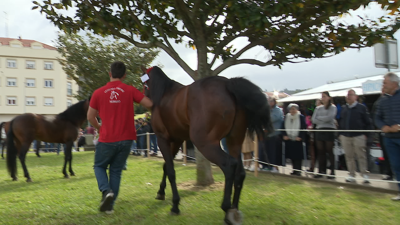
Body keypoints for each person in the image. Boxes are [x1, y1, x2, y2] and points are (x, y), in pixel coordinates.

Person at [87, 61, 153, 213]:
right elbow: (149, 103)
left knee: (99, 166)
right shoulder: (130, 90)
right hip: (126, 139)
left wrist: (99, 127)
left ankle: (105, 191)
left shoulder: (98, 93)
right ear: (124, 75)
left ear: (110, 74)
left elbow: (90, 116)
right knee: (116, 171)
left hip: (107, 138)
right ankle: (109, 207)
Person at [374, 72, 400, 200]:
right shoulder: (383, 100)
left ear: (394, 83)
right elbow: (377, 117)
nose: (383, 85)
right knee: (396, 166)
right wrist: (383, 127)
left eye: (385, 82)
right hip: (389, 139)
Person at [338, 89, 371, 184]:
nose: (348, 97)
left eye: (351, 95)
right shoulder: (344, 108)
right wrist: (340, 134)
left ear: (356, 97)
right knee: (349, 156)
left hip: (359, 135)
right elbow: (341, 121)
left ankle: (364, 174)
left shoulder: (361, 108)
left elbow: (368, 122)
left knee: (361, 156)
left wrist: (366, 135)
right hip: (345, 136)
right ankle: (351, 174)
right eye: (347, 95)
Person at [312, 91, 337, 179]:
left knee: (329, 150)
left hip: (329, 130)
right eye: (322, 96)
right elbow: (313, 120)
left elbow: (330, 118)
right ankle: (321, 170)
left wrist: (320, 118)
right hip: (319, 130)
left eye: (324, 96)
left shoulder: (332, 107)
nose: (323, 98)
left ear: (329, 97)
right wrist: (323, 119)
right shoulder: (318, 108)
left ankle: (332, 171)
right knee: (320, 151)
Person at [282, 103, 307, 176]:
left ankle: (298, 170)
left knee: (298, 156)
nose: (292, 110)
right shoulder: (287, 117)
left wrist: (300, 137)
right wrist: (284, 135)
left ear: (297, 109)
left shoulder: (300, 117)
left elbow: (303, 127)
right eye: (291, 109)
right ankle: (294, 170)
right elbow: (283, 126)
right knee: (292, 155)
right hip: (289, 138)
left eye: (293, 109)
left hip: (297, 139)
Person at [307, 99, 322, 173]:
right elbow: (313, 120)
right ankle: (312, 168)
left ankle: (320, 169)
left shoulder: (323, 111)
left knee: (320, 152)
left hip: (320, 133)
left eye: (318, 103)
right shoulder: (316, 111)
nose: (317, 105)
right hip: (314, 133)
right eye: (316, 103)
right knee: (312, 152)